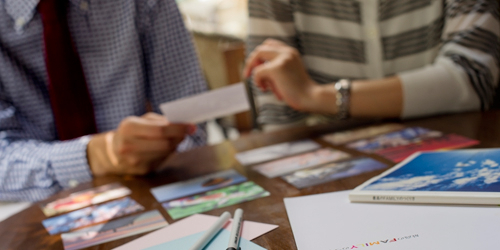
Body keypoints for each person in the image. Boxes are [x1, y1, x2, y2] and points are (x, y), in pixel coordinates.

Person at [0, 0, 208, 201]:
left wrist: (163, 143)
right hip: (31, 208)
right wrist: (94, 156)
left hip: (153, 187)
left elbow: (191, 128)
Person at [244, 0, 500, 131]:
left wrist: (315, 96)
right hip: (332, 170)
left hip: (457, 152)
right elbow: (280, 120)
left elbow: (472, 79)